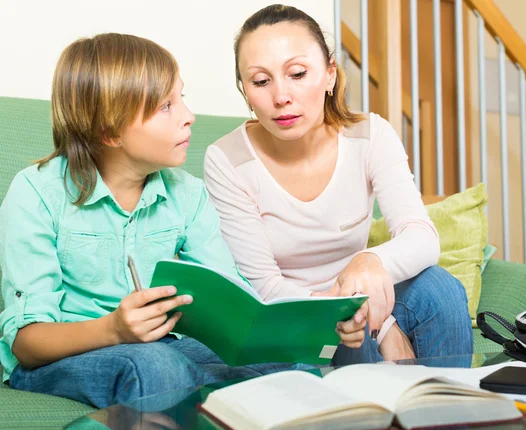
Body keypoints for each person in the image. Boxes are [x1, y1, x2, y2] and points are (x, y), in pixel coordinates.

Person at [0, 33, 305, 409]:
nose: (188, 116)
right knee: (155, 366)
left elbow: (233, 302)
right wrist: (112, 329)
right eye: (166, 106)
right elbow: (26, 342)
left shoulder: (187, 194)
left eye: (182, 98)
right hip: (62, 355)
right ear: (109, 131)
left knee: (294, 365)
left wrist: (292, 329)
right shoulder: (37, 192)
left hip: (164, 346)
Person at [204, 4, 473, 365]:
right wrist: (376, 320)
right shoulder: (227, 159)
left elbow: (421, 237)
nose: (281, 96)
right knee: (352, 332)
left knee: (440, 288)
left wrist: (368, 261)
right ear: (245, 91)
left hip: (365, 299)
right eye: (261, 81)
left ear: (330, 75)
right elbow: (264, 287)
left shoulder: (370, 134)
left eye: (297, 73)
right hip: (296, 316)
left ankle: (452, 413)